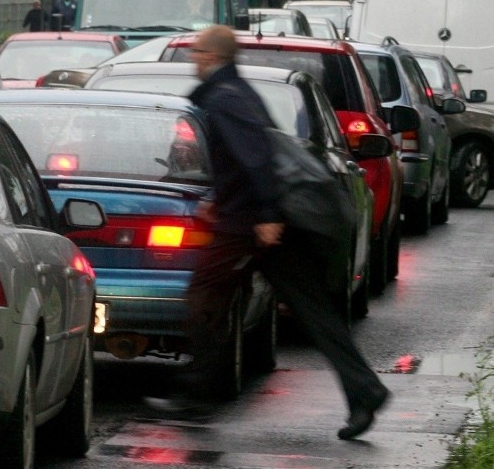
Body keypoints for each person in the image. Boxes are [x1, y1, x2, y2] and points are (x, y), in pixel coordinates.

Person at [145, 25, 390, 441]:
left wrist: (264, 214)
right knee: (313, 311)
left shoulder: (224, 97)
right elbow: (249, 159)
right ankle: (365, 390)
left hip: (250, 225)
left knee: (204, 295)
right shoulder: (236, 92)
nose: (193, 57)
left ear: (212, 56)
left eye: (198, 50)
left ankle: (199, 393)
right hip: (256, 218)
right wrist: (223, 200)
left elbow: (256, 157)